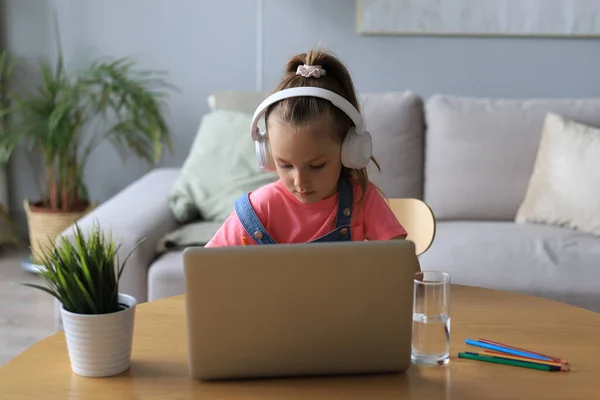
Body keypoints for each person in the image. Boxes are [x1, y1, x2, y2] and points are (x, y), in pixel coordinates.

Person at [204, 49, 407, 247]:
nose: (300, 182)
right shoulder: (260, 207)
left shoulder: (362, 201)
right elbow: (206, 270)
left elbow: (404, 268)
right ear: (267, 153)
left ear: (348, 150)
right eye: (284, 165)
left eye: (316, 165)